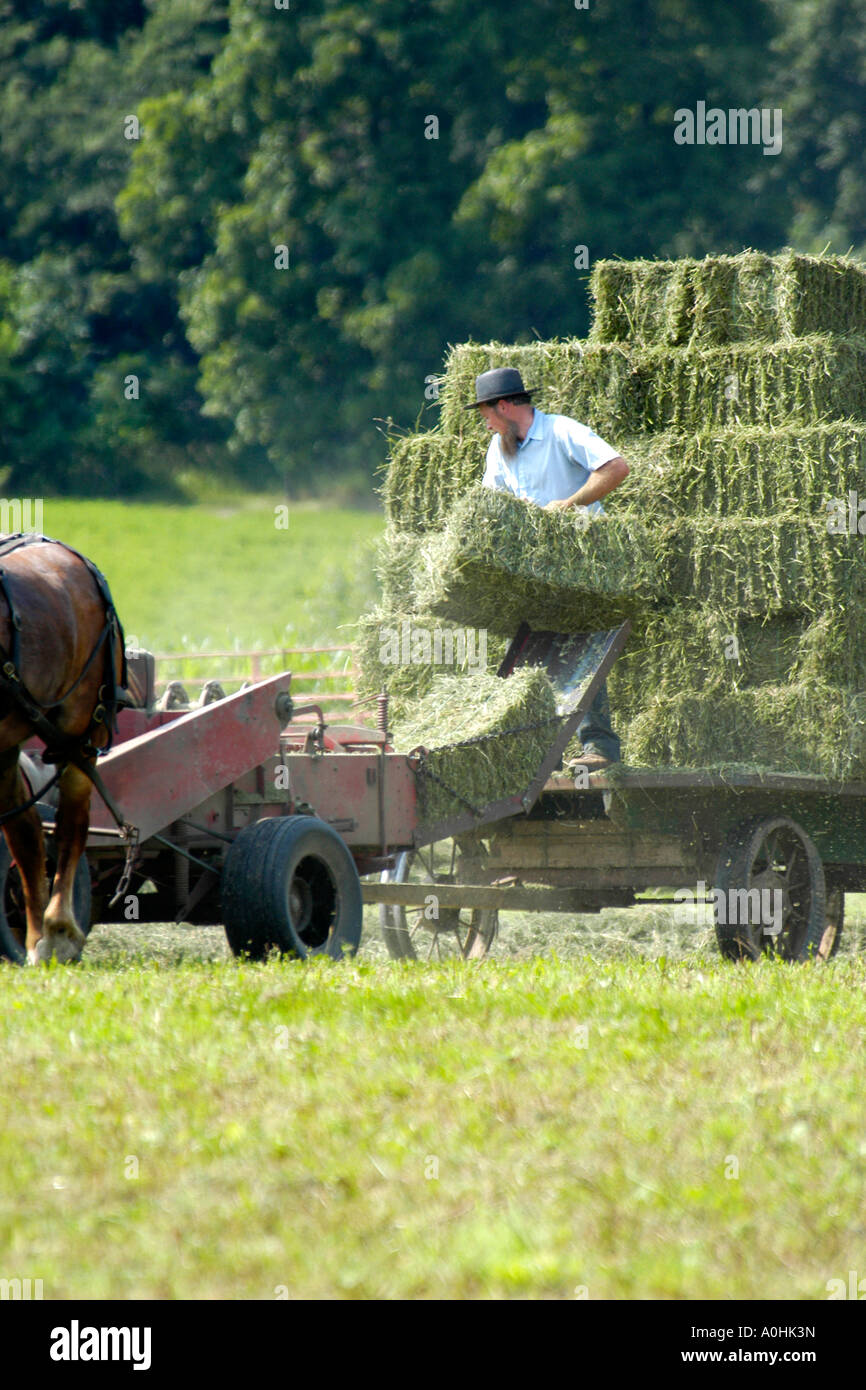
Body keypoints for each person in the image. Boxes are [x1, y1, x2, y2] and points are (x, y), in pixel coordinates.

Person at [467, 366, 630, 773]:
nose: (484, 421)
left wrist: (571, 503)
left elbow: (616, 467)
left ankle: (599, 748)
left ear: (504, 406)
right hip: (536, 575)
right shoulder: (498, 450)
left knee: (582, 649)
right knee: (531, 658)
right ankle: (545, 753)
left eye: (486, 411)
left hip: (582, 564)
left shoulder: (562, 431)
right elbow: (494, 509)